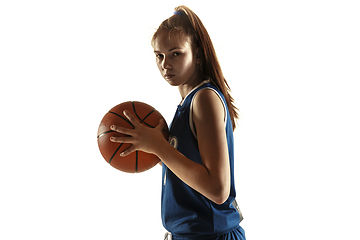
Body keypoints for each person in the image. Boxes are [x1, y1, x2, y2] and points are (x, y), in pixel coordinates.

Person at [110, 5, 246, 240]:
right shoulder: (187, 102)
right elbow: (190, 173)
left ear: (198, 53)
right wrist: (151, 148)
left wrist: (159, 147)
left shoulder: (204, 98)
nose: (165, 64)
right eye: (159, 55)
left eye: (176, 53)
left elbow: (218, 190)